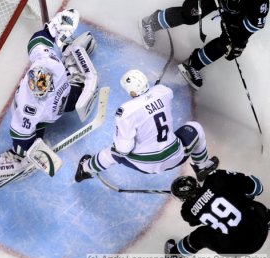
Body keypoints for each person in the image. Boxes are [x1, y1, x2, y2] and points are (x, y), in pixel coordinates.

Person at [0, 8, 99, 201]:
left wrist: (53, 29)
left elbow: (37, 40)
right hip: (39, 122)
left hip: (63, 97)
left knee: (79, 86)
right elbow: (22, 137)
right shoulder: (27, 112)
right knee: (23, 162)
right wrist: (34, 149)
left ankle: (72, 54)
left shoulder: (46, 61)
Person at [75, 69, 218, 183]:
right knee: (195, 129)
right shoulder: (162, 92)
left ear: (131, 91)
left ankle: (86, 169)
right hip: (176, 155)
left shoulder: (126, 111)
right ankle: (201, 167)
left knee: (113, 152)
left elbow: (123, 149)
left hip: (147, 164)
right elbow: (164, 93)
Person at [140, 0, 269, 89]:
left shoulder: (260, 4)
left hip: (236, 11)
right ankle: (150, 22)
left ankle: (193, 64)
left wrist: (239, 42)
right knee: (190, 14)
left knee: (230, 43)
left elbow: (251, 25)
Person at [165, 170, 270, 258]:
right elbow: (258, 188)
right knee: (247, 203)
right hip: (260, 228)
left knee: (200, 236)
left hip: (234, 250)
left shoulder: (188, 212)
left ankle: (172, 256)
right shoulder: (215, 179)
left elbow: (192, 220)